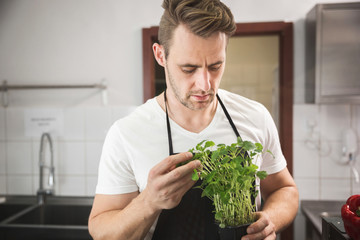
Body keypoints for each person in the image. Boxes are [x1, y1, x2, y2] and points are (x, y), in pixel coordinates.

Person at [88, 0, 299, 239]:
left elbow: (285, 189)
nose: (205, 85)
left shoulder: (255, 116)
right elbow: (101, 231)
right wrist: (148, 202)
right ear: (160, 55)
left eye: (216, 66)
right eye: (189, 69)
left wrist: (271, 220)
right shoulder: (126, 133)